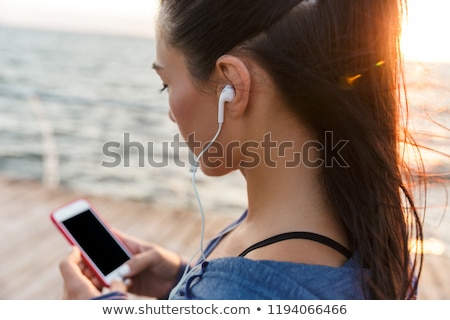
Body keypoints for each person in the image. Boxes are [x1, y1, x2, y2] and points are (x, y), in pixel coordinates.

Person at [59, 0, 424, 300]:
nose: (170, 113)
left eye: (165, 84)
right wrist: (180, 280)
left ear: (231, 86)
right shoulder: (372, 231)